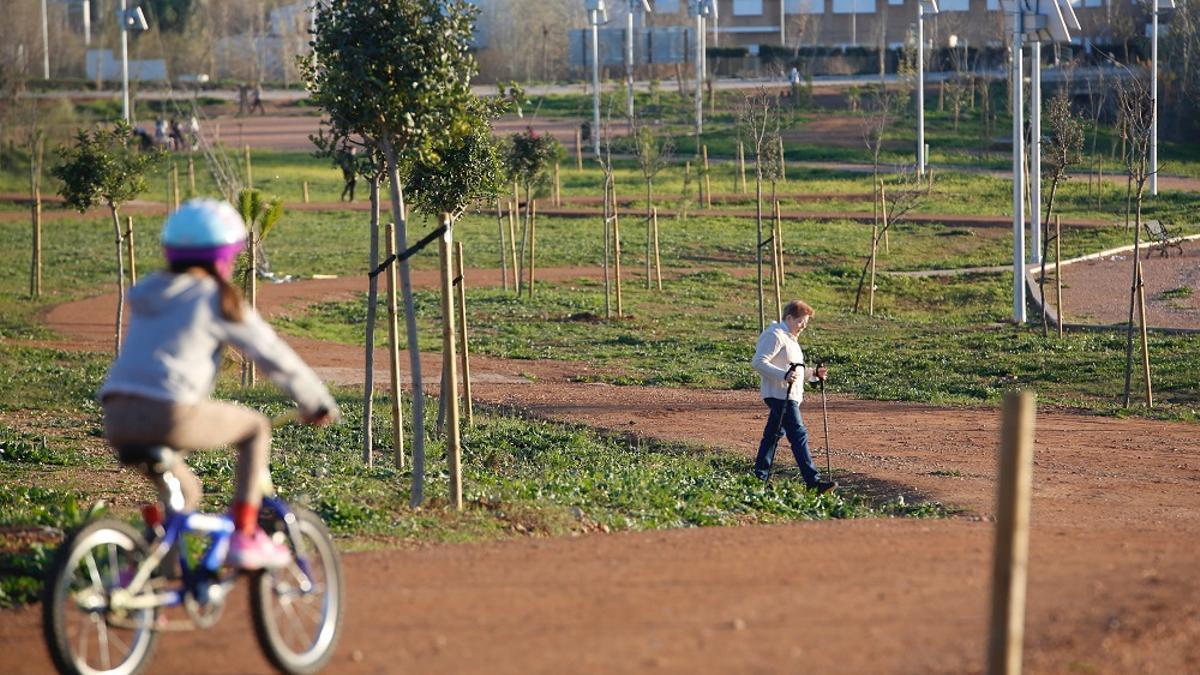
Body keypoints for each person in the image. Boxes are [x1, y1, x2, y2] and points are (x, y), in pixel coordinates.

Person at [98, 199, 340, 569]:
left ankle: (142, 581)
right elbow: (271, 353)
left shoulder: (150, 291)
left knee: (186, 494)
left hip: (116, 415)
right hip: (169, 411)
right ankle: (244, 534)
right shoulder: (216, 296)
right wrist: (315, 401)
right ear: (225, 256)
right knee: (256, 427)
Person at [750, 300, 836, 493]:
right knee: (798, 434)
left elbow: (795, 370)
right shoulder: (774, 335)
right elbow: (758, 362)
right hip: (780, 395)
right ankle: (813, 482)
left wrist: (814, 374)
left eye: (805, 322)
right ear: (789, 318)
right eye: (800, 321)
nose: (803, 326)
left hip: (789, 395)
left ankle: (759, 478)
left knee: (772, 436)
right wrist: (784, 376)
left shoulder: (790, 339)